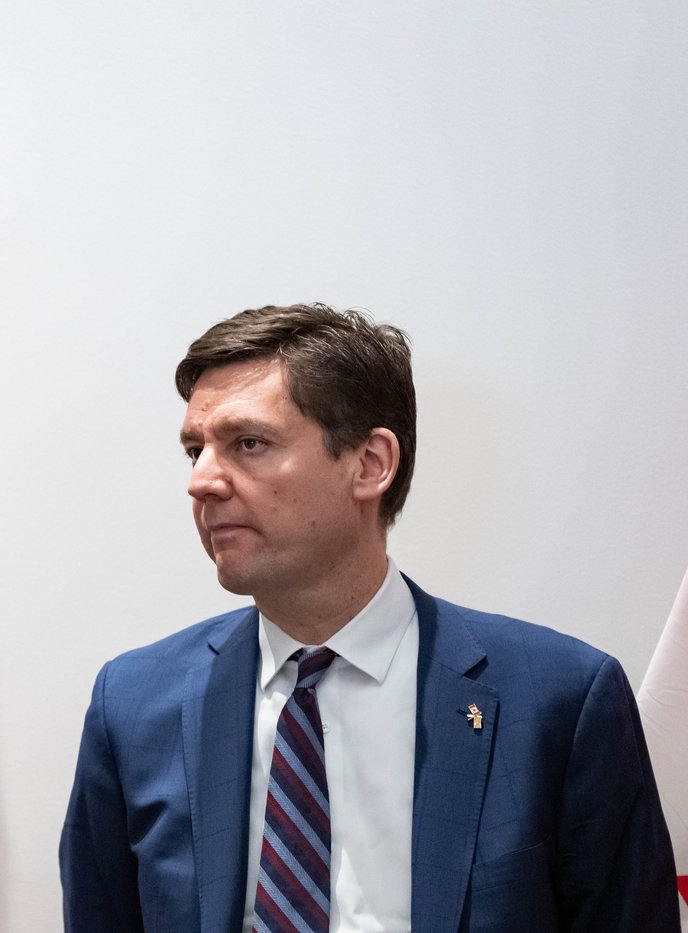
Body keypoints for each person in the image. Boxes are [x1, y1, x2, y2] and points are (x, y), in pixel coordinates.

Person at [59, 303, 678, 932]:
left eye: (248, 444)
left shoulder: (560, 701)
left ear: (371, 464)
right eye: (196, 450)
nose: (202, 481)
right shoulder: (134, 705)